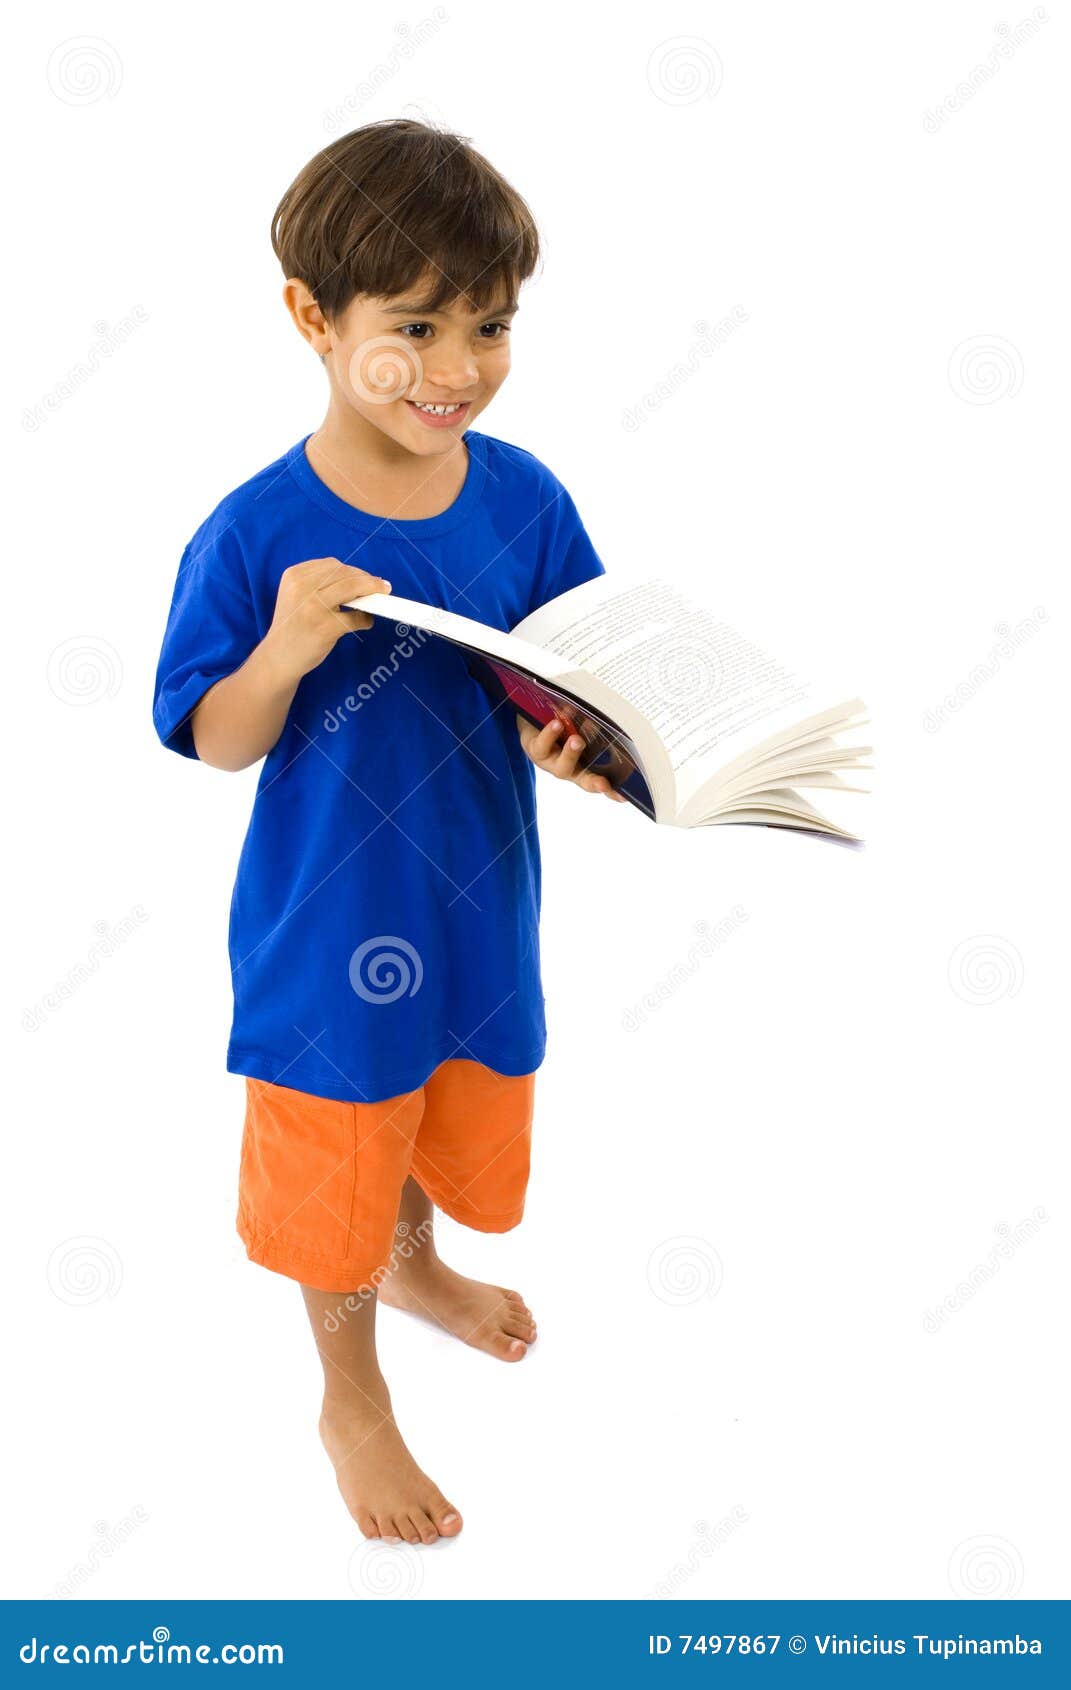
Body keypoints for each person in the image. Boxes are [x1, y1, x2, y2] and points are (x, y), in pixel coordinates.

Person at [153, 119, 624, 1545]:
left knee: (438, 1111)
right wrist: (287, 648)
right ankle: (348, 1389)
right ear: (313, 318)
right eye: (414, 325)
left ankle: (414, 1269)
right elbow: (213, 738)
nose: (461, 366)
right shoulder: (255, 531)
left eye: (490, 323)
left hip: (478, 908)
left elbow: (575, 675)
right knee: (342, 1153)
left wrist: (588, 746)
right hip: (330, 925)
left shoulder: (526, 495)